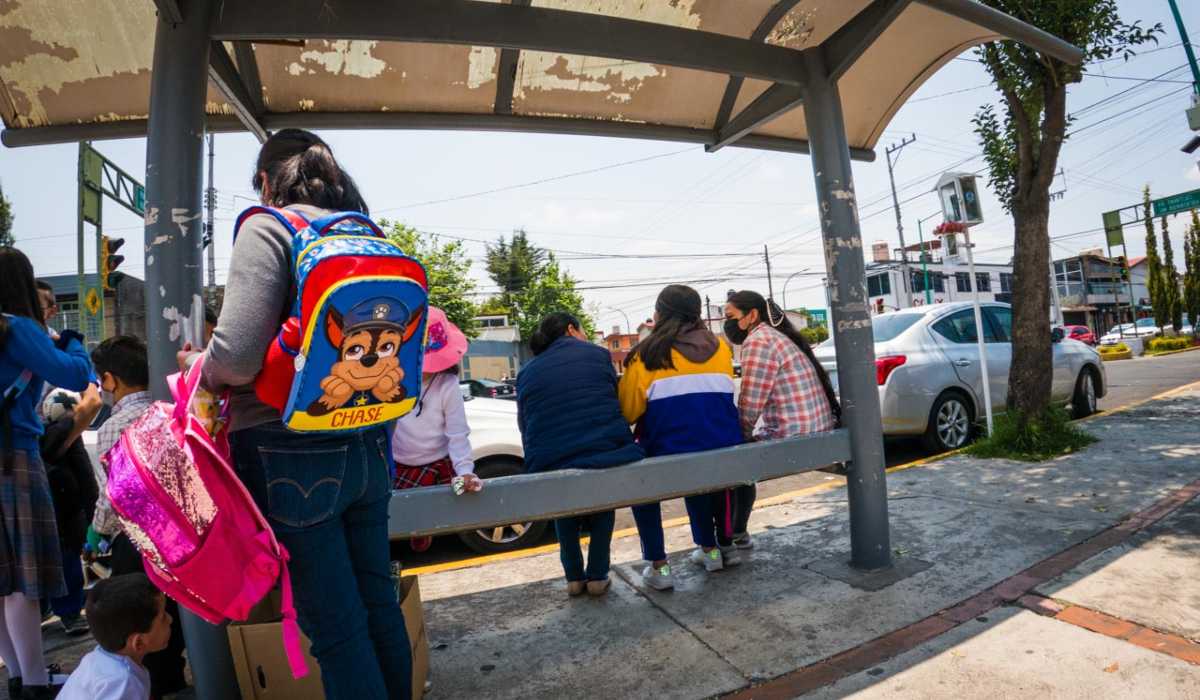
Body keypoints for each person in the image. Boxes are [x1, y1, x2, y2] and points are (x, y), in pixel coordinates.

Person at [186, 128, 411, 699]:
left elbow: (235, 358)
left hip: (290, 453)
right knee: (378, 605)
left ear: (266, 180)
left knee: (337, 631)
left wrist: (198, 365)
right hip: (367, 444)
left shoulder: (269, 225)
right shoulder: (368, 234)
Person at [0, 248, 95, 699]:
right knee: (23, 578)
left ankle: (19, 677)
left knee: (2, 580)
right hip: (13, 457)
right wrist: (73, 340)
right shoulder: (16, 327)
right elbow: (75, 375)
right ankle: (36, 685)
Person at [618, 285, 742, 590]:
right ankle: (710, 551)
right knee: (697, 474)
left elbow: (628, 412)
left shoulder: (645, 355)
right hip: (722, 447)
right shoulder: (721, 348)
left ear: (659, 314)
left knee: (641, 483)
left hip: (666, 451)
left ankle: (659, 568)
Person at [517, 313, 644, 597]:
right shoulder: (598, 355)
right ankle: (598, 576)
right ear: (571, 329)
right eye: (584, 330)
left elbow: (525, 423)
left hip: (550, 457)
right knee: (602, 504)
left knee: (565, 510)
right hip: (603, 449)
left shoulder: (527, 370)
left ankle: (574, 578)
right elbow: (612, 399)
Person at [90, 335, 188, 698]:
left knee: (144, 624)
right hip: (180, 540)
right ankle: (176, 682)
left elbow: (113, 496)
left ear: (111, 380)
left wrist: (97, 530)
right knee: (172, 622)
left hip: (137, 544)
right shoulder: (168, 407)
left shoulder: (113, 427)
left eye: (102, 381)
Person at [724, 291, 839, 549]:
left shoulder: (758, 341)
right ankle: (737, 533)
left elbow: (750, 404)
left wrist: (737, 437)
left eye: (730, 316)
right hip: (818, 431)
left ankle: (734, 535)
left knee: (731, 459)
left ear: (752, 315)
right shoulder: (776, 336)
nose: (727, 323)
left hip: (795, 436)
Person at [391, 306, 482, 553]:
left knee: (460, 495)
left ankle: (427, 528)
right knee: (398, 509)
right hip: (399, 462)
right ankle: (417, 529)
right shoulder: (390, 380)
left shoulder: (448, 384)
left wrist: (465, 471)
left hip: (439, 461)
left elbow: (457, 433)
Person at [39, 388, 101, 637]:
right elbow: (87, 482)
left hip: (57, 513)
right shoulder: (67, 440)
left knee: (57, 564)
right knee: (67, 564)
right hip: (65, 514)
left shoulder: (44, 439)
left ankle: (55, 610)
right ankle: (68, 612)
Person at [59, 573, 172, 700]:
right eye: (163, 617)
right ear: (138, 642)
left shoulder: (96, 659)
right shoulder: (121, 683)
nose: (170, 619)